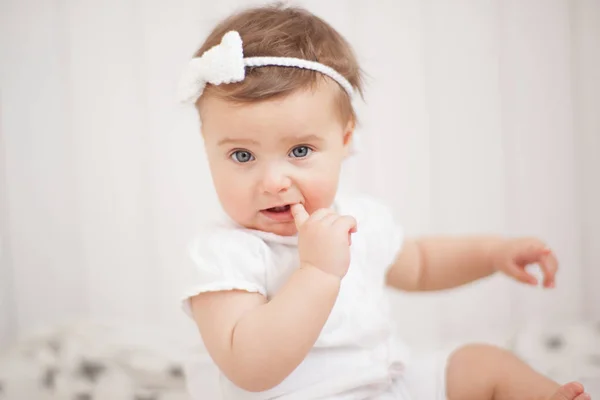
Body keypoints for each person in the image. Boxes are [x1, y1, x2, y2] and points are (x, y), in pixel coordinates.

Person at [177, 3, 591, 399]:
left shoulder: (358, 219)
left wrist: (492, 254)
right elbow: (250, 368)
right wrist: (317, 272)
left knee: (483, 364)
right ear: (207, 148)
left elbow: (421, 265)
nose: (273, 181)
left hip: (387, 386)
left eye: (300, 151)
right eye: (242, 156)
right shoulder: (224, 254)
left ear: (344, 140)